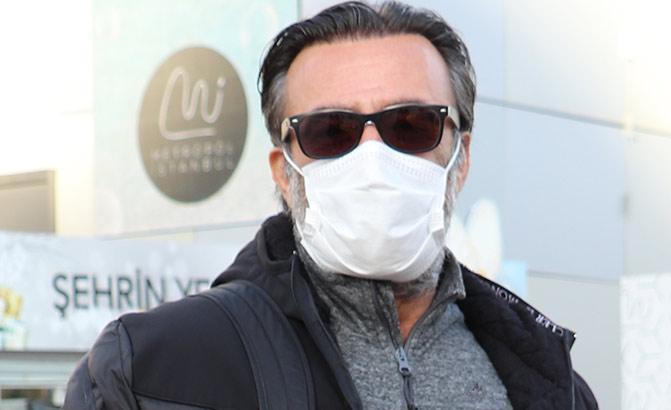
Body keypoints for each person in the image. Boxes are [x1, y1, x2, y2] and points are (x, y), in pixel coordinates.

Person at [64, 1, 598, 409]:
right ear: (284, 172)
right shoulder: (151, 370)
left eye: (411, 125)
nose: (373, 158)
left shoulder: (552, 385)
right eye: (331, 131)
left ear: (461, 158)